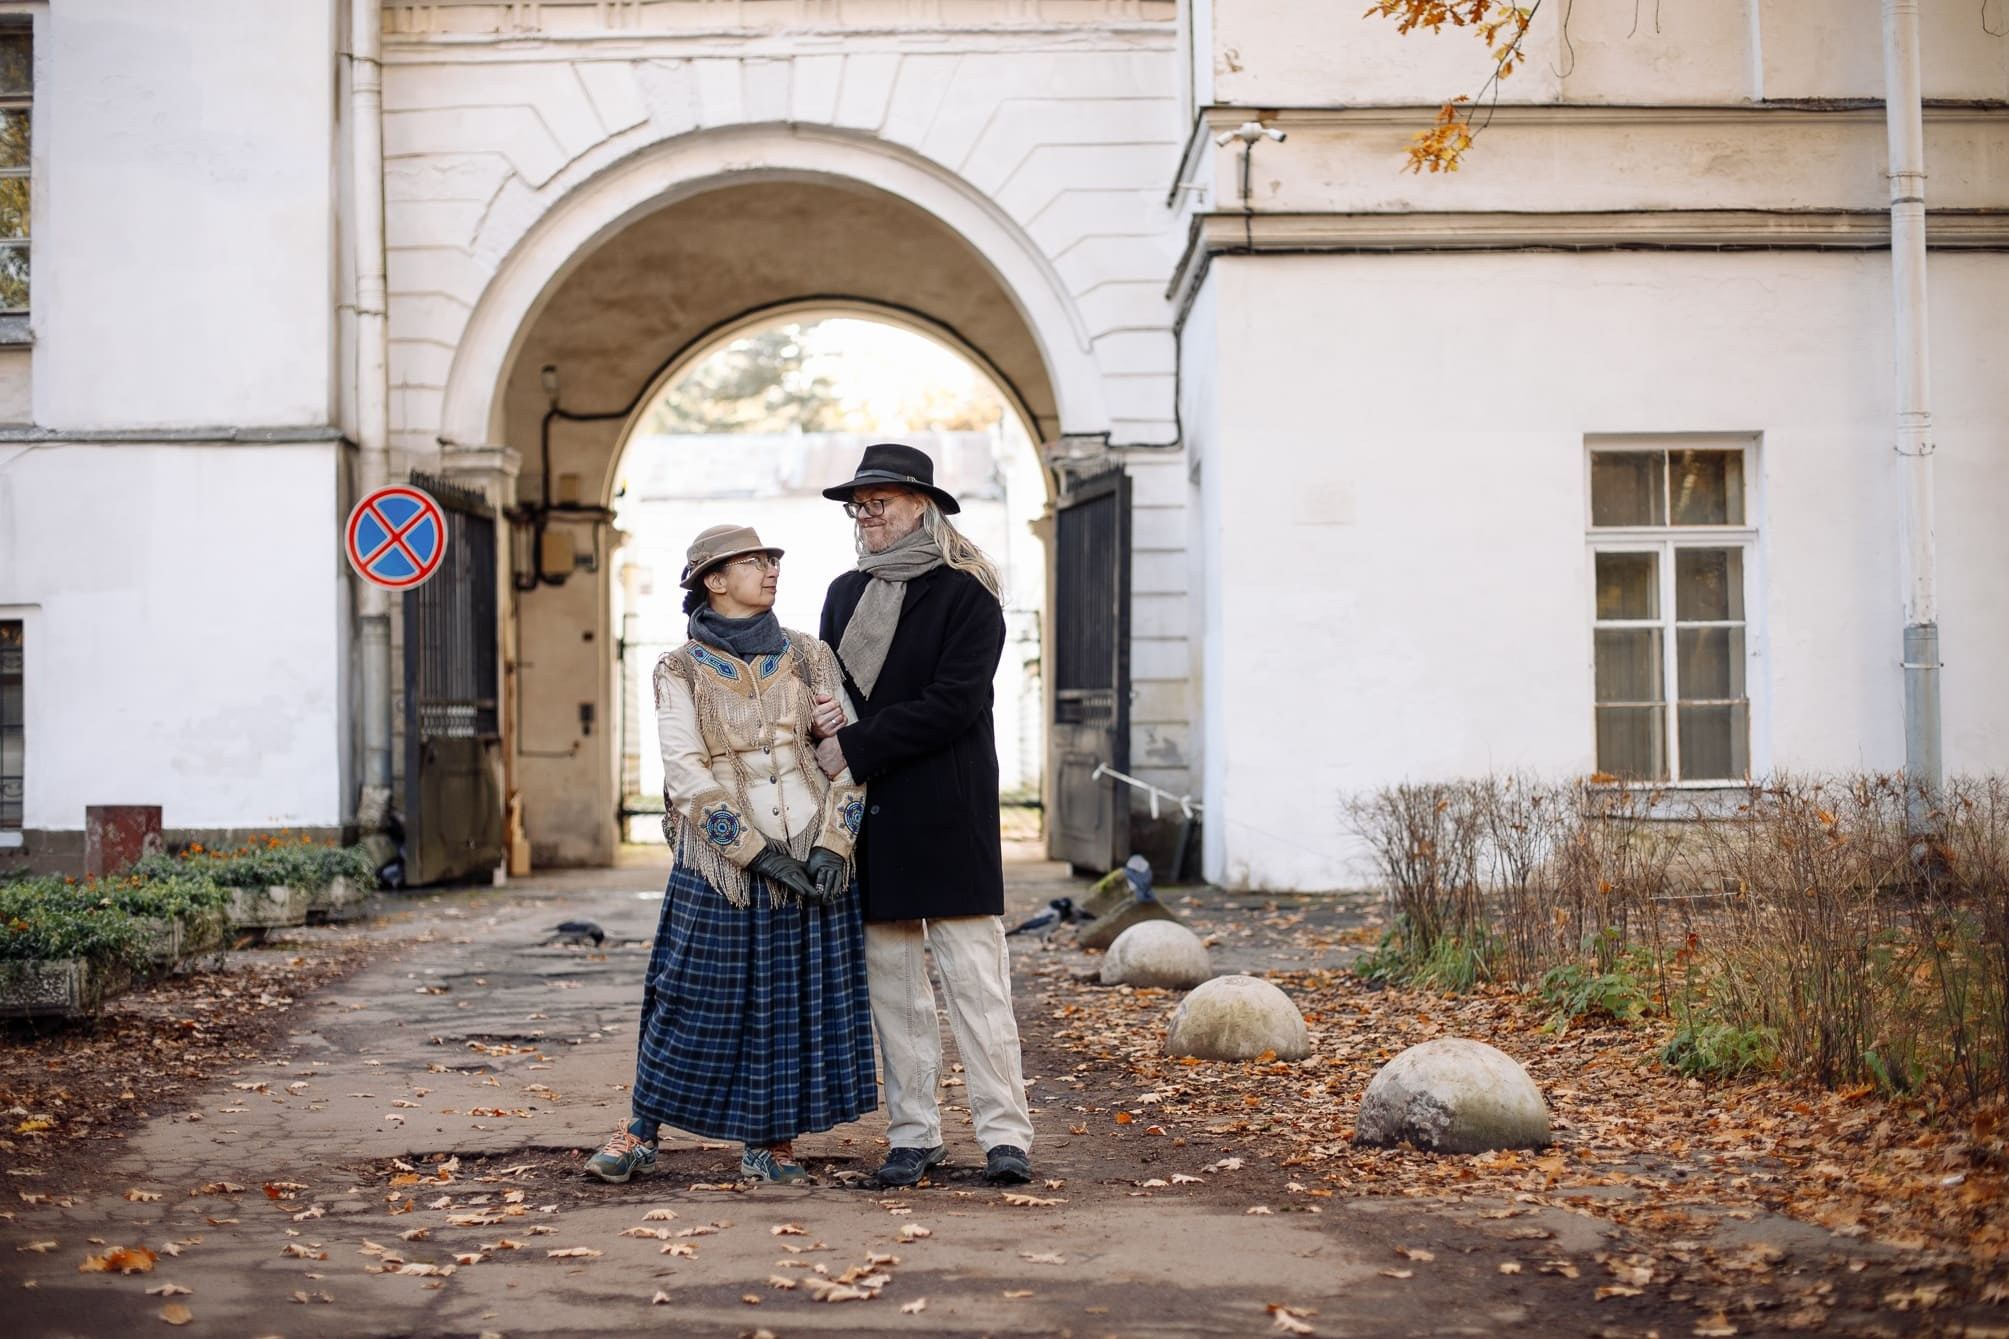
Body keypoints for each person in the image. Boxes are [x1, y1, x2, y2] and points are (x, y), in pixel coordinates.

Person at [584, 523, 874, 1186]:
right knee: (686, 996)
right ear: (713, 581)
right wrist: (755, 855)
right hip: (722, 867)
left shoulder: (809, 655)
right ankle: (639, 1129)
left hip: (812, 852)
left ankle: (768, 1143)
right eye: (753, 561)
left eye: (772, 558)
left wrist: (834, 843)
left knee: (791, 1003)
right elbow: (685, 772)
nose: (771, 568)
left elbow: (852, 756)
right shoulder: (677, 669)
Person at [807, 442, 1036, 1187]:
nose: (864, 513)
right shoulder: (844, 593)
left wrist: (855, 744)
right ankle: (914, 1133)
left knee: (976, 984)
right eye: (858, 503)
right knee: (894, 990)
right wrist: (825, 724)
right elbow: (834, 690)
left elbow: (953, 702)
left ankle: (1005, 1135)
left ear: (921, 505)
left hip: (948, 811)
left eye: (879, 500)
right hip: (872, 818)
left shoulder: (968, 592)